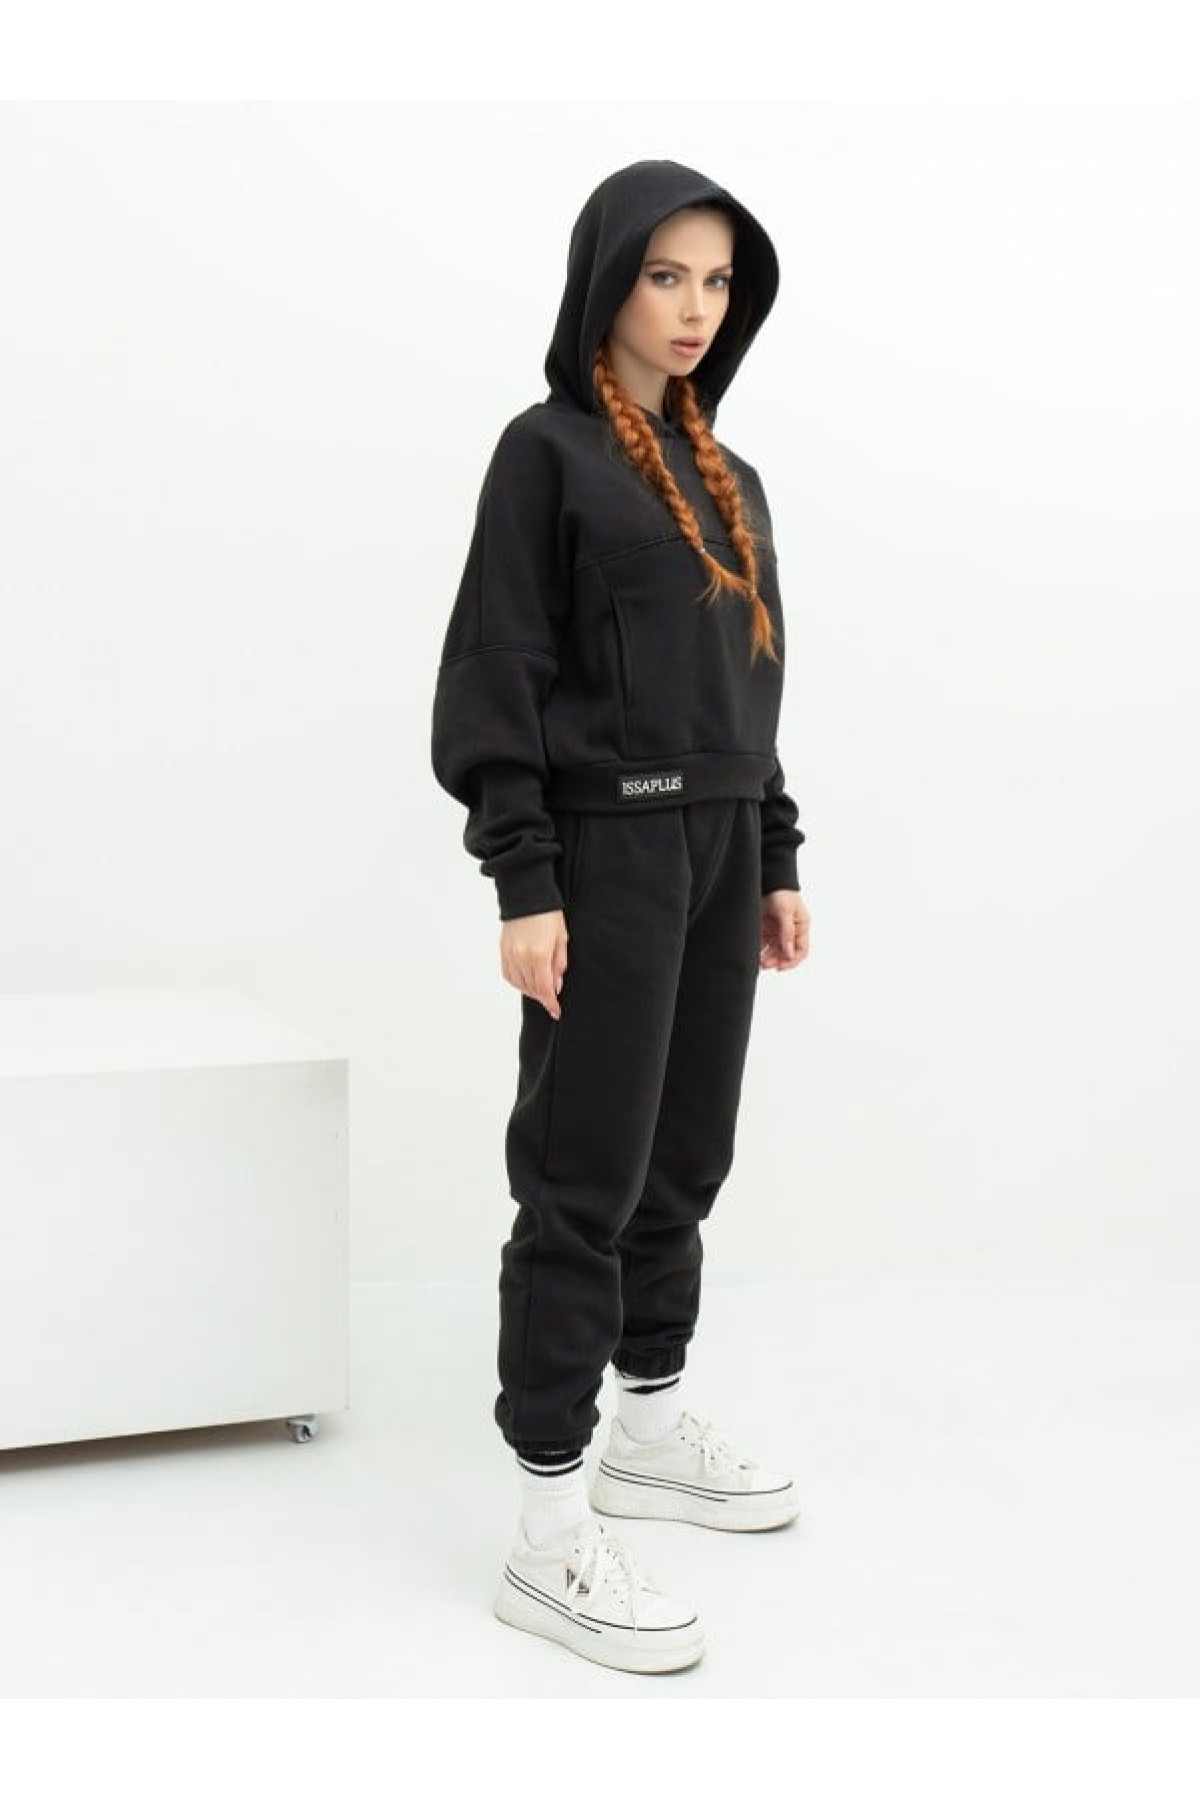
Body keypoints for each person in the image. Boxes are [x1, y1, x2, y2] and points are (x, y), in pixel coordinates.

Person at [430, 158, 811, 1674]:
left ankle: (647, 1430)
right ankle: (545, 1534)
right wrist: (524, 877)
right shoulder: (548, 456)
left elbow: (751, 695)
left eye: (718, 282)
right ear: (607, 282)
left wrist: (774, 852)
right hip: (605, 854)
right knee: (580, 1176)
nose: (694, 308)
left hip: (716, 851)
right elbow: (497, 666)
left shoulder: (735, 479)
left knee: (685, 1155)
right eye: (666, 275)